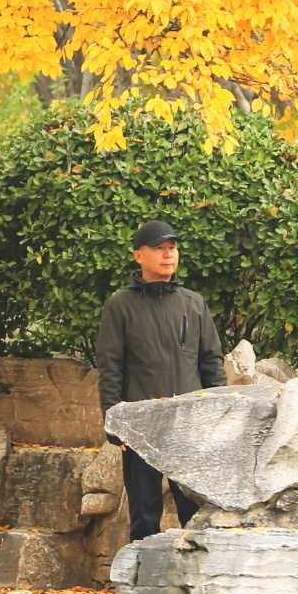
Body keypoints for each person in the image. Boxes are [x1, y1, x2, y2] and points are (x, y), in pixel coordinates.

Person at [95, 220, 226, 541]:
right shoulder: (120, 306)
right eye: (159, 249)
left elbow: (211, 362)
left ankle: (197, 580)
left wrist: (220, 413)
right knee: (144, 511)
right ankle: (140, 581)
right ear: (138, 256)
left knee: (195, 510)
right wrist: (114, 423)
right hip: (142, 425)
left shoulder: (193, 303)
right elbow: (110, 367)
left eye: (172, 248)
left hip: (189, 424)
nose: (168, 255)